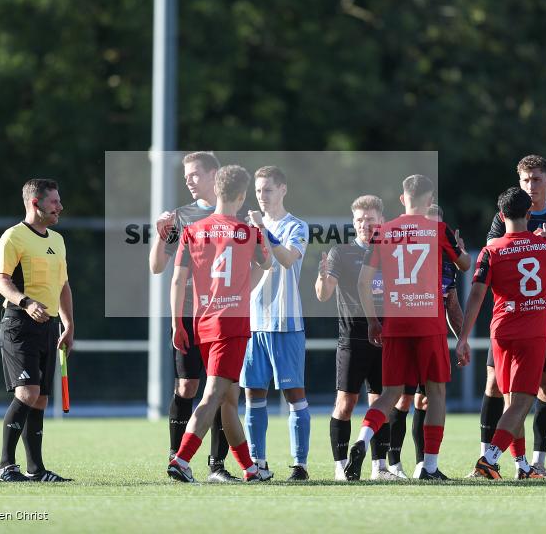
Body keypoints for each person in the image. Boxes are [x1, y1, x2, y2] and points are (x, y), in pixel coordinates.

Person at [345, 175, 470, 481]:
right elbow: (465, 265)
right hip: (429, 323)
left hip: (396, 322)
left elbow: (363, 282)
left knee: (389, 395)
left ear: (402, 199)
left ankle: (361, 441)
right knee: (436, 392)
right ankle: (428, 466)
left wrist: (374, 320)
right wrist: (460, 250)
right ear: (430, 201)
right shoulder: (438, 229)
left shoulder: (383, 231)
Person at [474, 155, 546, 477]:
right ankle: (490, 457)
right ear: (518, 183)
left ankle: (533, 462)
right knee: (503, 390)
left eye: (536, 179)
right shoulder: (503, 220)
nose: (531, 186)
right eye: (525, 180)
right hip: (515, 318)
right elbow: (496, 260)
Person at [167, 165, 273, 483]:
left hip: (203, 322)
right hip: (232, 324)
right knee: (214, 394)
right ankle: (182, 459)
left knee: (229, 398)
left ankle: (249, 469)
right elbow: (266, 263)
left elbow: (177, 281)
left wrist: (176, 324)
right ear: (241, 196)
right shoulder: (247, 232)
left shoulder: (193, 230)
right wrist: (261, 231)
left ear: (217, 191)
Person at [149, 151, 240, 482]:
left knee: (222, 388)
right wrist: (160, 234)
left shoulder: (235, 215)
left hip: (226, 315)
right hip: (190, 314)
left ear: (215, 175)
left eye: (195, 174)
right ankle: (176, 458)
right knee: (188, 386)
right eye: (186, 174)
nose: (188, 179)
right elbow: (158, 267)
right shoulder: (181, 217)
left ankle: (217, 466)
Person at [457, 187, 546, 480]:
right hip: (532, 331)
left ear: (501, 216)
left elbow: (476, 295)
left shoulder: (491, 251)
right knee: (524, 401)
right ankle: (488, 459)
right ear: (530, 213)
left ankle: (523, 466)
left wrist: (463, 337)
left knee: (513, 401)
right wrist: (541, 241)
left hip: (501, 330)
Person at [0, 179, 74, 482]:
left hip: (49, 327)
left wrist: (68, 324)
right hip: (18, 324)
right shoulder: (12, 238)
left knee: (40, 398)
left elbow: (64, 286)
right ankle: (6, 466)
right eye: (54, 202)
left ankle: (36, 468)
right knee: (27, 393)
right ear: (35, 203)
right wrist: (25, 302)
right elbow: (0, 280)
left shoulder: (58, 239)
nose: (60, 207)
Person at [316, 195, 396, 481]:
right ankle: (340, 466)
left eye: (371, 220)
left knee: (381, 403)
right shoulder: (342, 252)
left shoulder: (392, 251)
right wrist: (322, 277)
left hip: (386, 341)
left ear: (382, 222)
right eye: (360, 220)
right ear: (353, 223)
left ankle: (379, 467)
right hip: (352, 340)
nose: (365, 225)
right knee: (346, 403)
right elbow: (324, 294)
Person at [242, 166, 311, 481]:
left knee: (294, 394)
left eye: (268, 190)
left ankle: (300, 464)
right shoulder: (249, 227)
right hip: (253, 323)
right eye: (258, 191)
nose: (262, 196)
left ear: (283, 189)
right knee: (253, 394)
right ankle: (259, 462)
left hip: (286, 321)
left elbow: (286, 259)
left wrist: (262, 231)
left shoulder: (297, 226)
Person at [387, 203, 465, 480]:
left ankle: (425, 464)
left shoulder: (447, 266)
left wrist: (462, 338)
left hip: (430, 338)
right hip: (405, 335)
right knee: (402, 398)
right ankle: (393, 463)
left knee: (423, 400)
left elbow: (452, 306)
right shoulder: (402, 254)